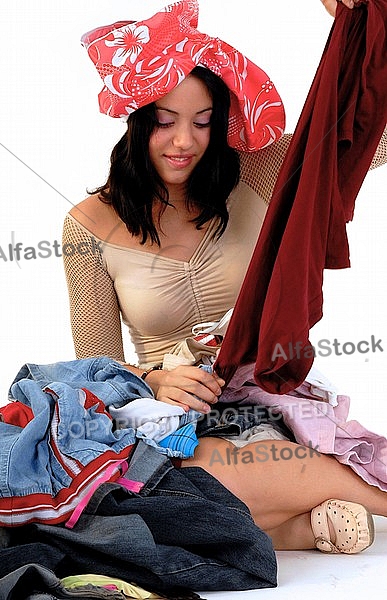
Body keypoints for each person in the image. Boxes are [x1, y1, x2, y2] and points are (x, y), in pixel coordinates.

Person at [63, 0, 387, 555]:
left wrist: (359, 30)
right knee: (172, 487)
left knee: (252, 463)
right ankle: (296, 524)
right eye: (164, 122)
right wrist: (154, 380)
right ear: (136, 119)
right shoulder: (88, 224)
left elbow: (363, 138)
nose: (183, 142)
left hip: (261, 400)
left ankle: (296, 507)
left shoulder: (260, 172)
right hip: (170, 423)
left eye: (202, 121)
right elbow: (91, 369)